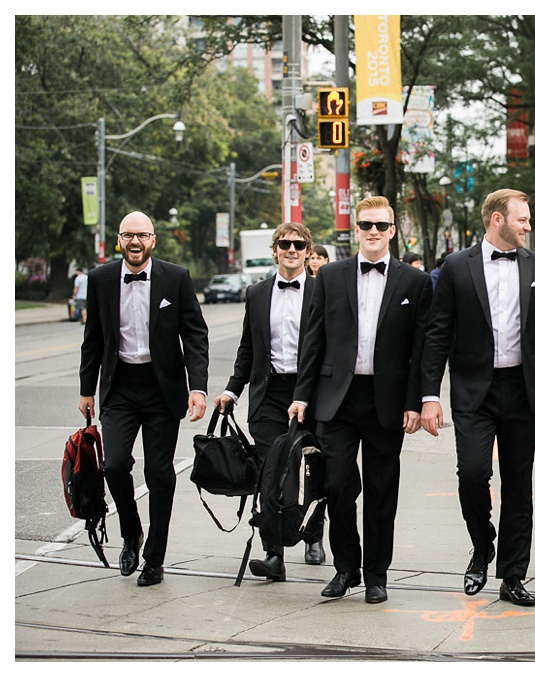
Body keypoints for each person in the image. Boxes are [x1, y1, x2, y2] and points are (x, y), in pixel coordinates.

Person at [421, 188, 535, 607]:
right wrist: (429, 395)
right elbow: (437, 335)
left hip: (523, 391)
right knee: (472, 474)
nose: (528, 226)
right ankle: (483, 543)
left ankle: (512, 575)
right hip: (474, 391)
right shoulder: (456, 267)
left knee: (518, 486)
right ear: (497, 220)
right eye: (522, 219)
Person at [289, 196, 433, 604]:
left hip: (388, 400)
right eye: (366, 224)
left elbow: (420, 348)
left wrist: (415, 402)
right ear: (357, 230)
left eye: (381, 226)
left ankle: (376, 574)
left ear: (392, 231)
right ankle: (345, 568)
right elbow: (312, 341)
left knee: (382, 489)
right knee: (337, 486)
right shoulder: (330, 276)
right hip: (337, 399)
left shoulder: (415, 282)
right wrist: (302, 395)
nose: (373, 232)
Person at [78, 211, 209, 587]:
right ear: (119, 239)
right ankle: (131, 532)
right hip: (119, 385)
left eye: (142, 236)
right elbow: (93, 338)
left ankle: (155, 558)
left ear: (153, 240)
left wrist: (196, 387)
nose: (135, 243)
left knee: (159, 474)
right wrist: (87, 389)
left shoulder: (176, 277)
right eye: (128, 236)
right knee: (115, 465)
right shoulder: (101, 279)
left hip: (161, 387)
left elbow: (195, 335)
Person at [214, 222, 326, 574]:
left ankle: (313, 535)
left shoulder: (323, 291)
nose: (291, 250)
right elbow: (248, 348)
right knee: (268, 473)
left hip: (314, 393)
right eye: (284, 244)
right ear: (275, 250)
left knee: (312, 468)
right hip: (270, 394)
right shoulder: (257, 293)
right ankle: (273, 553)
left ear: (308, 252)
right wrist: (232, 389)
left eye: (297, 244)